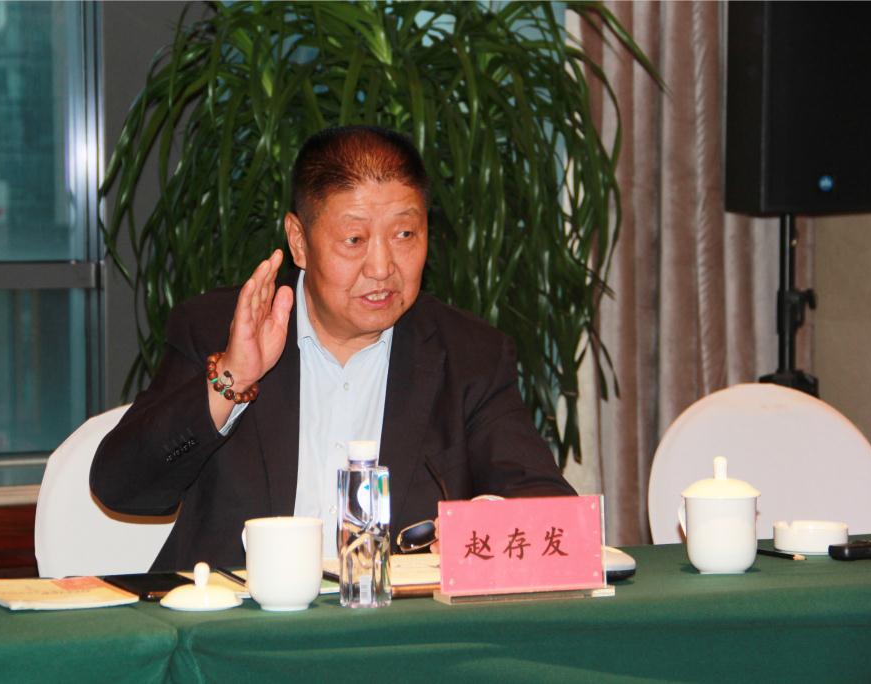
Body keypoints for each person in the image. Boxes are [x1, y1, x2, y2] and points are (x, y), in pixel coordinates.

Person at [90, 125, 576, 570]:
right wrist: (231, 379)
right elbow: (122, 487)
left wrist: (479, 525)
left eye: (405, 234)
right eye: (354, 239)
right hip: (239, 624)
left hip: (393, 630)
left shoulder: (468, 355)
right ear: (299, 241)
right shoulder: (222, 329)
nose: (382, 267)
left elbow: (551, 511)